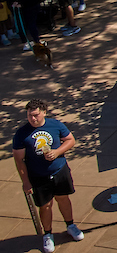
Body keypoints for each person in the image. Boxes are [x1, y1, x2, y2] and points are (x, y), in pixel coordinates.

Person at [14, 99, 85, 252]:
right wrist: (25, 182)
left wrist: (57, 152)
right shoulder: (21, 134)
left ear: (44, 113)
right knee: (45, 206)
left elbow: (70, 140)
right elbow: (19, 160)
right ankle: (47, 235)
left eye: (36, 115)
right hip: (38, 176)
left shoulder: (56, 125)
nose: (33, 118)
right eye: (30, 115)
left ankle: (71, 226)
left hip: (59, 171)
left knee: (63, 199)